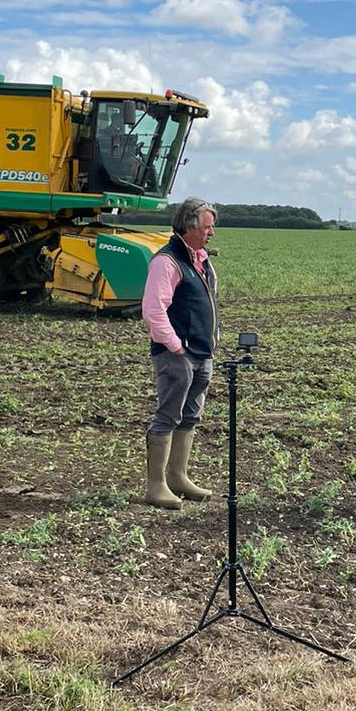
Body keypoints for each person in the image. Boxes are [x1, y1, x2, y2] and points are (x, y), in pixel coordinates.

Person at [139, 197, 219, 510]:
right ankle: (156, 485)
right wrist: (174, 345)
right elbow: (153, 310)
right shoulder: (166, 262)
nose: (211, 233)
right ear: (188, 226)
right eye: (207, 227)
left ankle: (178, 477)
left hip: (201, 353)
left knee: (191, 415)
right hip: (177, 355)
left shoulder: (201, 260)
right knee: (168, 415)